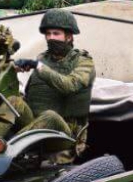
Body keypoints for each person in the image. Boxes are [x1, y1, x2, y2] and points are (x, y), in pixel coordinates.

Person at [13, 9, 96, 162]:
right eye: (48, 34)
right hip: (35, 124)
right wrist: (13, 70)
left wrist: (38, 66)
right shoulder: (43, 59)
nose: (51, 38)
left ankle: (4, 151)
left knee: (50, 116)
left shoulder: (84, 62)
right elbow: (29, 92)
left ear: (69, 37)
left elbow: (69, 86)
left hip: (64, 134)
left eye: (56, 33)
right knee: (12, 101)